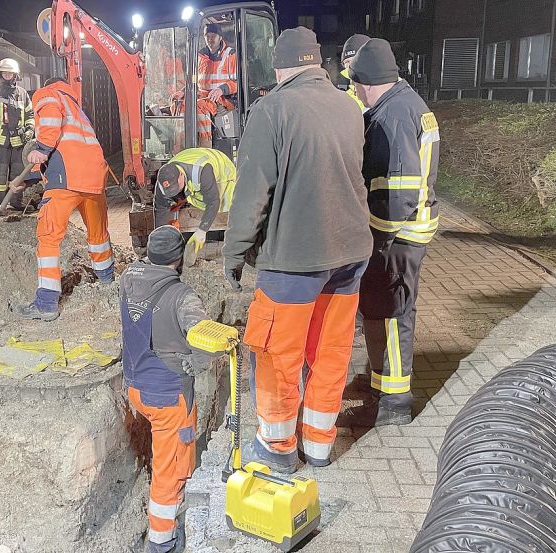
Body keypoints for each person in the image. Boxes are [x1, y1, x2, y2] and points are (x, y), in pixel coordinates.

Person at [223, 27, 372, 471]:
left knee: (276, 355)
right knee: (329, 351)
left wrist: (234, 255)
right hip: (350, 254)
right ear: (318, 63)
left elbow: (252, 193)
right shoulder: (350, 108)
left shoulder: (272, 110)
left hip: (295, 259)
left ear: (281, 66)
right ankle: (320, 445)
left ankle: (277, 448)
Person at [351, 38, 440, 426]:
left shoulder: (395, 115)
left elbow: (399, 191)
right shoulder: (401, 104)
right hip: (401, 231)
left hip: (399, 235)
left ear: (368, 81)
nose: (353, 91)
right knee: (381, 308)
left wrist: (377, 240)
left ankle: (395, 402)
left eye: (354, 84)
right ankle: (379, 382)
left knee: (394, 314)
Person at [121, 225, 215, 553]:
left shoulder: (128, 279)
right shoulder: (183, 297)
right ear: (178, 260)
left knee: (163, 457)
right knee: (170, 469)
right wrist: (200, 361)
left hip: (136, 387)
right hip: (167, 395)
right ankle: (162, 542)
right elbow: (205, 336)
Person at [13, 78, 112, 322]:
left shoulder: (48, 94)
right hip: (94, 177)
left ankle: (46, 304)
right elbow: (68, 148)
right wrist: (24, 182)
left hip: (67, 177)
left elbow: (49, 126)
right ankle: (108, 280)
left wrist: (42, 148)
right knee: (98, 234)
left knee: (48, 237)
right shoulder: (77, 111)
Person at [154, 147, 236, 265]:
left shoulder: (202, 171)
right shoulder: (163, 181)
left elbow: (213, 202)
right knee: (190, 197)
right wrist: (161, 244)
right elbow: (161, 210)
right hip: (195, 179)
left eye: (175, 188)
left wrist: (202, 231)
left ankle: (238, 248)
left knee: (226, 206)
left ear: (181, 175)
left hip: (224, 174)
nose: (173, 192)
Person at [0, 58, 36, 211]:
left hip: (18, 141)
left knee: (18, 173)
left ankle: (15, 202)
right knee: (0, 175)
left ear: (15, 75)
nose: (7, 75)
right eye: (4, 73)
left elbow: (30, 115)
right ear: (0, 74)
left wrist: (30, 130)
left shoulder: (23, 94)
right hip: (0, 141)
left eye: (9, 73)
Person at [196, 23, 238, 147]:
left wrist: (221, 89)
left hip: (223, 100)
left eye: (213, 36)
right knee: (180, 104)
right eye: (207, 36)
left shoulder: (229, 54)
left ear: (220, 37)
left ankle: (205, 147)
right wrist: (183, 91)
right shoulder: (200, 56)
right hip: (203, 96)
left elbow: (237, 82)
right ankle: (180, 147)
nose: (210, 39)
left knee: (199, 106)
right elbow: (195, 79)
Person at [339, 34, 370, 111]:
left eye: (356, 59)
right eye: (347, 61)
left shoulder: (392, 89)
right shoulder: (345, 99)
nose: (351, 65)